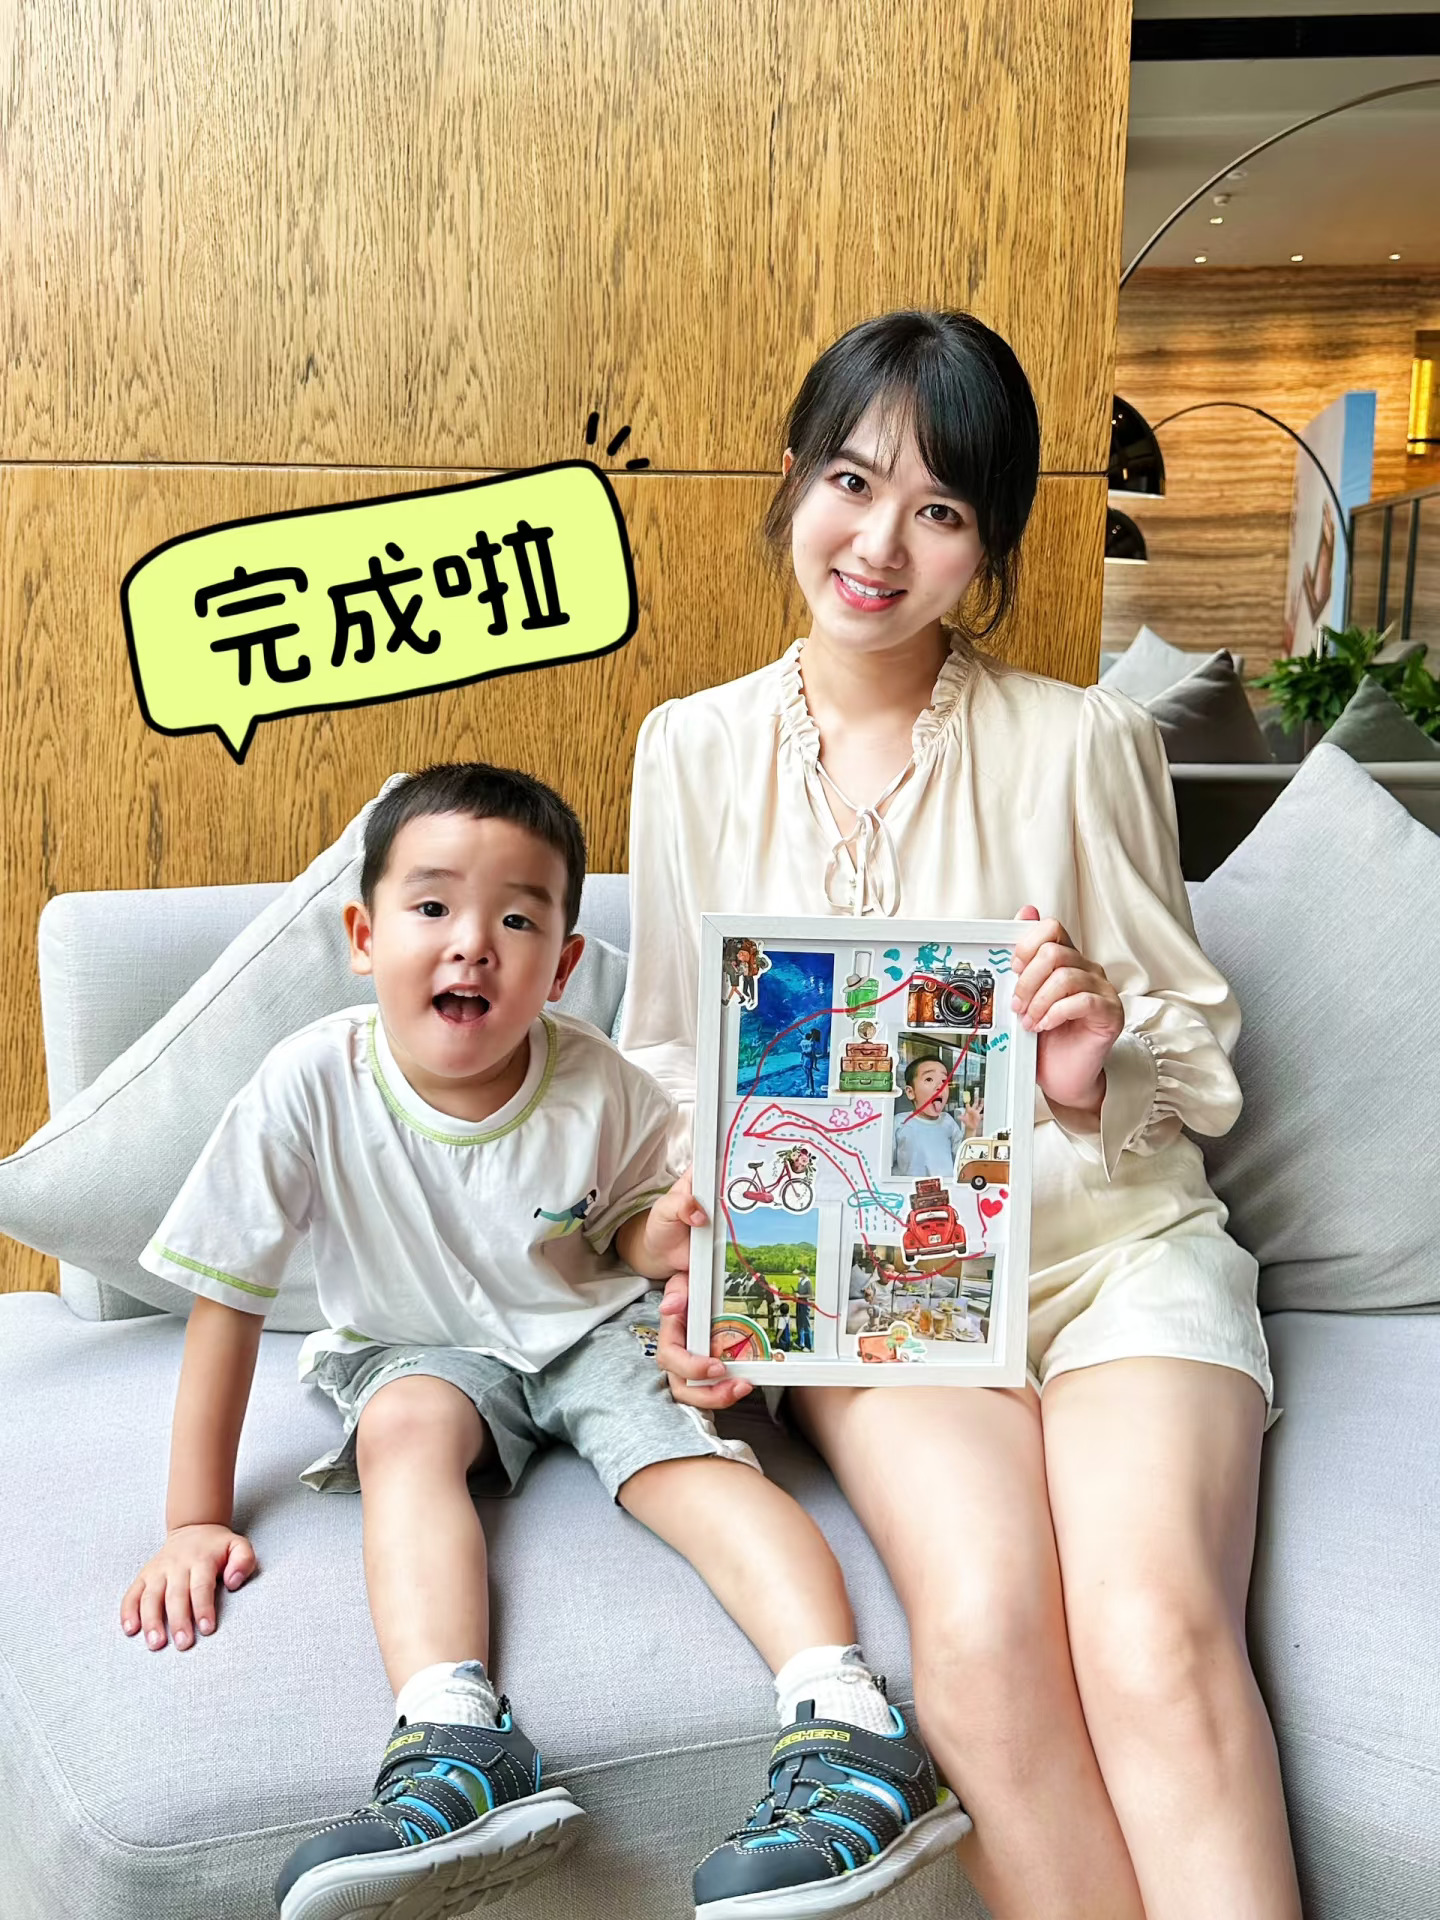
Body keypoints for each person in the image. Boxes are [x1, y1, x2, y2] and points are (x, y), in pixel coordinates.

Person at [620, 310, 1302, 1918]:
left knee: (1150, 1636)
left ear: (987, 545)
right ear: (796, 480)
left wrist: (1091, 1060)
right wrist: (695, 1262)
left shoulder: (1085, 741)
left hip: (1114, 1256)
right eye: (851, 482)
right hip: (887, 1296)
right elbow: (669, 1064)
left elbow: (1195, 1047)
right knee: (986, 1646)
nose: (878, 545)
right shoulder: (693, 750)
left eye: (937, 509)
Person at [118, 763, 969, 1920]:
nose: (472, 944)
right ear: (365, 938)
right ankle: (455, 1741)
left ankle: (854, 1729)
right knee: (403, 1429)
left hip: (588, 1323)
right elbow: (227, 1304)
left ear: (562, 967)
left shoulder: (601, 1085)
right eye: (432, 907)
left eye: (516, 920)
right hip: (417, 1341)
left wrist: (674, 1233)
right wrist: (193, 1520)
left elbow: (627, 1236)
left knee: (683, 1460)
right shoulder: (307, 1085)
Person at [892, 1055, 966, 1177]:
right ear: (910, 1092)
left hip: (945, 1187)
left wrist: (971, 1129)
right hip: (910, 1187)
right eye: (929, 1079)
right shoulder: (900, 1123)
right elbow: (884, 1164)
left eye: (944, 1081)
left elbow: (962, 1158)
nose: (940, 1086)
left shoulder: (948, 1121)